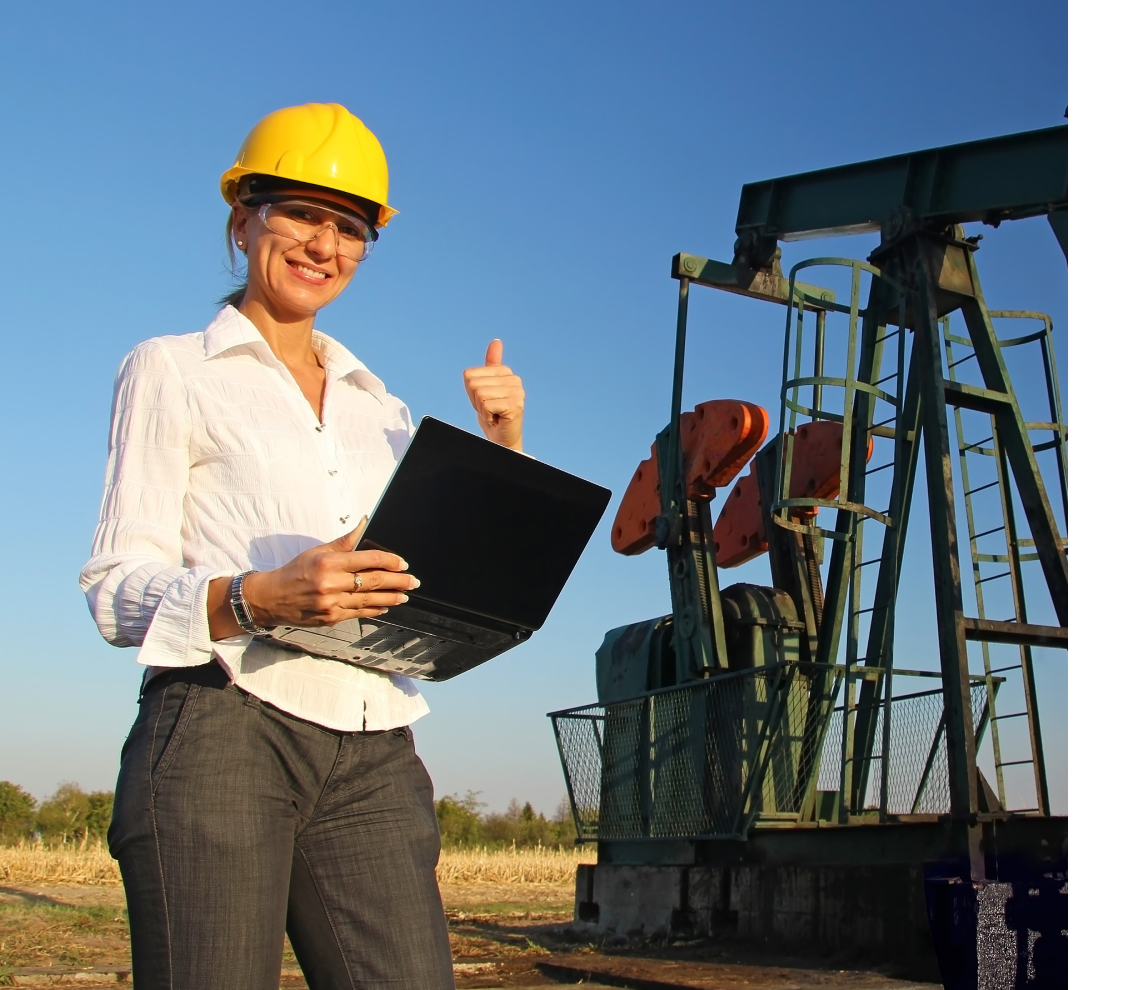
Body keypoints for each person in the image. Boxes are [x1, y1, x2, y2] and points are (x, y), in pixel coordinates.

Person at [79, 103, 525, 990]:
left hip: (374, 742)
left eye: (350, 228)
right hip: (223, 721)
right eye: (302, 214)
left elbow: (437, 574)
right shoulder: (171, 368)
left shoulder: (383, 408)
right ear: (244, 221)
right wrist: (257, 598)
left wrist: (503, 448)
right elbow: (114, 587)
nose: (325, 244)